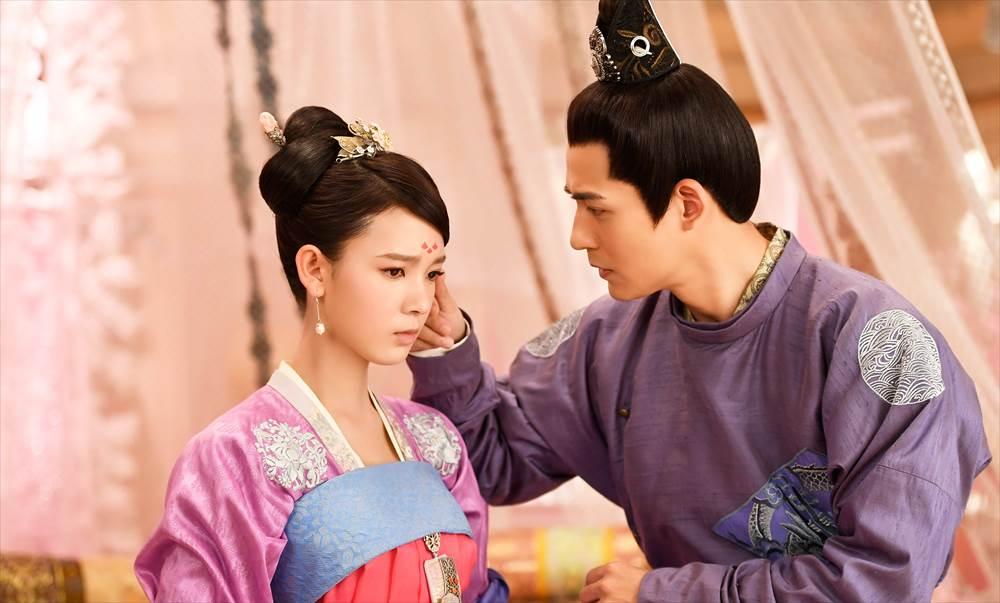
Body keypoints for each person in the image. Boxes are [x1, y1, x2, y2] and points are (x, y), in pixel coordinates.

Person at [407, 1, 992, 601]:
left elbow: (882, 582)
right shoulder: (607, 340)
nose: (578, 236)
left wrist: (663, 594)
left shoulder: (876, 339)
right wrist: (444, 350)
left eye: (597, 208)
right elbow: (491, 462)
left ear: (687, 204)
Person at [135, 106, 508, 603]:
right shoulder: (233, 457)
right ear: (314, 269)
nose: (420, 301)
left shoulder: (436, 441)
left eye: (432, 273)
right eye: (394, 271)